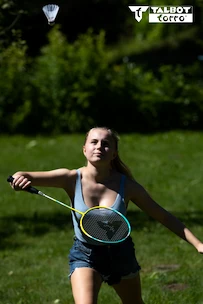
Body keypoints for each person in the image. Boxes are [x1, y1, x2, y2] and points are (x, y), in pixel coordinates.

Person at [9, 126, 203, 304]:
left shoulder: (127, 186)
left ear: (114, 153)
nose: (99, 146)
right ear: (84, 149)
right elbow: (23, 174)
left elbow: (164, 217)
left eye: (106, 144)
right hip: (86, 254)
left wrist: (198, 244)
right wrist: (18, 181)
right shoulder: (70, 178)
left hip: (121, 253)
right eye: (94, 142)